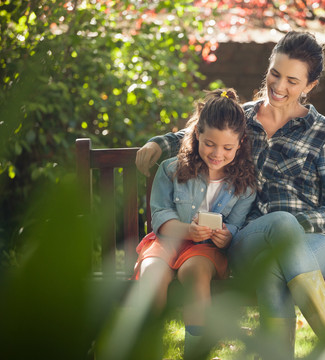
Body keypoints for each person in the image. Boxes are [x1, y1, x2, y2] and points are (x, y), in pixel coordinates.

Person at [136, 31, 325, 359]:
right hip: (247, 237)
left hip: (311, 240)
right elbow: (200, 133)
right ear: (268, 67)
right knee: (274, 237)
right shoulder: (243, 117)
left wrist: (294, 225)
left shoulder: (324, 132)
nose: (279, 86)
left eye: (292, 81)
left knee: (275, 260)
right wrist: (159, 142)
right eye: (275, 74)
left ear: (310, 86)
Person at [132, 88, 257, 359]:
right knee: (152, 273)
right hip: (168, 239)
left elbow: (235, 226)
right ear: (197, 133)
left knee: (197, 274)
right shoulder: (171, 169)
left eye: (227, 148)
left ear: (240, 143)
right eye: (210, 143)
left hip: (206, 249)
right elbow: (160, 217)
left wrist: (227, 235)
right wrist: (187, 230)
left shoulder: (244, 185)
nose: (217, 154)